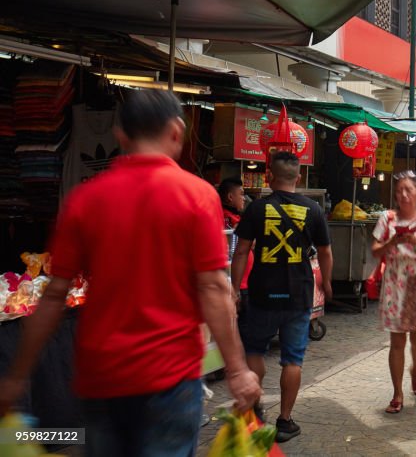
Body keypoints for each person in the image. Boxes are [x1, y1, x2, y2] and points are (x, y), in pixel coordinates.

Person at [0, 90, 261, 456]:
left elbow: (55, 295)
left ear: (121, 136)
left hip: (99, 378)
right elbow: (213, 288)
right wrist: (237, 370)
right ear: (176, 132)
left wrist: (15, 376)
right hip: (169, 379)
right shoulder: (197, 195)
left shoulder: (84, 199)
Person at [232, 151, 333, 443]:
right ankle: (285, 421)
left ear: (269, 176)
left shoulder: (257, 209)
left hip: (264, 292)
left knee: (254, 350)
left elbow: (241, 251)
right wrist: (326, 282)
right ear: (299, 178)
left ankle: (253, 408)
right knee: (293, 360)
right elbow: (325, 252)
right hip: (298, 294)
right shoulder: (313, 210)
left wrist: (234, 290)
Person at [371, 171, 416, 414]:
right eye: (400, 190)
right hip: (395, 284)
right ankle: (397, 393)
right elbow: (375, 251)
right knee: (397, 341)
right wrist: (393, 242)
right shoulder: (387, 218)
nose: (403, 195)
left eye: (408, 190)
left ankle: (415, 370)